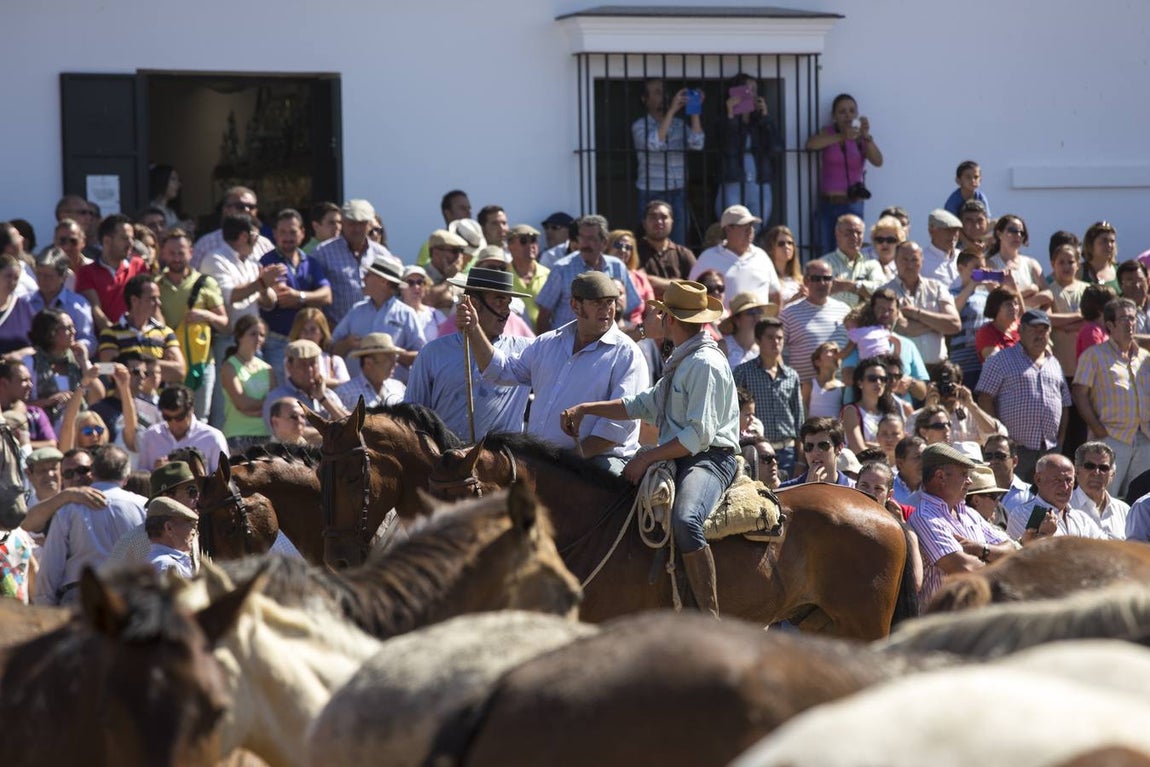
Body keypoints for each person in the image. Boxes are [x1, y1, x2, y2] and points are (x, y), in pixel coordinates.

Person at [561, 279, 738, 619]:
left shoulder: (703, 364)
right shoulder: (684, 359)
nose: (653, 319)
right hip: (684, 455)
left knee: (686, 520)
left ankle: (709, 616)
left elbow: (698, 436)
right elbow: (642, 403)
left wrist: (647, 457)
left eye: (659, 314)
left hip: (710, 460)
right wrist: (587, 409)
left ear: (670, 319)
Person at [460, 271, 647, 473]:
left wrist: (565, 463)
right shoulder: (548, 343)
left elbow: (616, 430)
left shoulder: (627, 354)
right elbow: (500, 371)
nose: (607, 310)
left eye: (610, 302)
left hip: (599, 461)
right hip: (543, 463)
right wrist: (474, 328)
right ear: (575, 305)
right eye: (597, 303)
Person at [406, 268, 532, 441]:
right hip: (447, 460)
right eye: (499, 301)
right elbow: (413, 415)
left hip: (500, 464)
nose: (506, 311)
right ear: (473, 303)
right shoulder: (432, 353)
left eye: (508, 303)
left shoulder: (525, 351)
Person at [33, 445, 146, 606]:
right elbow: (149, 556)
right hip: (128, 598)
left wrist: (43, 605)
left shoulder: (69, 509)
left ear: (92, 473)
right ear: (127, 476)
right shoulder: (143, 507)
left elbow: (51, 565)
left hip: (82, 598)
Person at [908, 443, 1014, 605]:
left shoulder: (969, 513)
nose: (970, 481)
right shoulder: (925, 518)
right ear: (940, 476)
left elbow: (1011, 549)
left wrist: (980, 549)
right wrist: (995, 560)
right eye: (964, 474)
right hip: (944, 625)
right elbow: (964, 567)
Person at [976, 308, 1069, 482]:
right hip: (1015, 449)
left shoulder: (1054, 363)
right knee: (1014, 497)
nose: (1039, 334)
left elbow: (1064, 404)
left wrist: (1060, 442)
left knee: (1044, 499)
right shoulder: (1000, 359)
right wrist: (999, 439)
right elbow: (984, 398)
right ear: (1021, 330)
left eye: (1044, 330)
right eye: (1034, 329)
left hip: (1049, 449)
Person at [1072, 298, 1150, 497]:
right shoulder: (1094, 355)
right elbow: (1080, 393)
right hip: (1111, 437)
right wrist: (1096, 427)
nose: (1130, 323)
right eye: (1123, 318)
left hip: (1144, 438)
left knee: (1141, 498)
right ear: (1109, 324)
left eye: (1132, 318)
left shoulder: (1145, 358)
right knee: (1104, 496)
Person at [155, 228, 228, 418]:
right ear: (162, 253)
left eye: (181, 252)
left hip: (201, 363)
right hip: (170, 364)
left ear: (191, 252)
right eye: (171, 253)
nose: (177, 258)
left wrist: (205, 315)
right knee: (170, 416)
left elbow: (224, 323)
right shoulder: (156, 285)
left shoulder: (206, 283)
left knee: (201, 417)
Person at [805, 93, 883, 256]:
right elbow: (811, 145)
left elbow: (878, 161)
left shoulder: (861, 138)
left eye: (851, 111)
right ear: (834, 116)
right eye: (842, 112)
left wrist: (866, 136)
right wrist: (842, 136)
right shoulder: (828, 133)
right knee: (824, 251)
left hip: (852, 204)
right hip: (828, 204)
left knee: (851, 252)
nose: (848, 115)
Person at [258, 209, 333, 377]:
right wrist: (311, 298)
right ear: (275, 234)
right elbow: (279, 299)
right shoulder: (267, 262)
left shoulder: (311, 262)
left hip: (309, 342)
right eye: (282, 232)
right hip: (278, 342)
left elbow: (327, 295)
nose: (287, 237)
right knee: (283, 395)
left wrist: (299, 297)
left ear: (302, 233)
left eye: (293, 232)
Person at [534, 215, 640, 334]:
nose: (584, 244)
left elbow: (629, 308)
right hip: (569, 345)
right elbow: (543, 315)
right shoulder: (562, 268)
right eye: (582, 238)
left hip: (608, 344)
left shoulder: (617, 266)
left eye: (591, 238)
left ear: (604, 242)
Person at [631, 79, 705, 246]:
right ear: (645, 99)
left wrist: (695, 110)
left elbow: (697, 143)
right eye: (657, 92)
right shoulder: (640, 125)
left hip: (678, 190)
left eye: (664, 92)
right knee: (650, 241)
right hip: (652, 191)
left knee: (678, 242)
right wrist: (672, 110)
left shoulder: (679, 125)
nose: (663, 96)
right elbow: (654, 144)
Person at [329, 256, 423, 383]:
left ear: (383, 281)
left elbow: (421, 355)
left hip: (393, 393)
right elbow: (331, 349)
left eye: (368, 275)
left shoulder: (406, 314)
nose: (363, 278)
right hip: (355, 391)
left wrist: (392, 354)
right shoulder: (356, 311)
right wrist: (347, 344)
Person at [104, 461, 203, 573]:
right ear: (166, 497)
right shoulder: (135, 540)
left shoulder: (195, 529)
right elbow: (108, 581)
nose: (198, 498)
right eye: (192, 491)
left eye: (199, 490)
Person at [733, 316, 802, 477]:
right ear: (758, 340)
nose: (776, 342)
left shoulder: (792, 375)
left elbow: (799, 420)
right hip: (758, 451)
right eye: (770, 337)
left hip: (788, 452)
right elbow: (733, 411)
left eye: (780, 338)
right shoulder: (743, 372)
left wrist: (800, 460)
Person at [312, 199, 392, 327]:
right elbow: (314, 294)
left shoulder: (382, 254)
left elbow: (392, 293)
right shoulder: (323, 252)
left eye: (362, 224)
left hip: (376, 329)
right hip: (337, 332)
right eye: (352, 223)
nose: (357, 229)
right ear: (342, 222)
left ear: (370, 225)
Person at [97, 274, 186, 384]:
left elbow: (180, 371)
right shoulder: (110, 333)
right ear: (134, 300)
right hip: (123, 398)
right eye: (153, 298)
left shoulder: (166, 332)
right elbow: (106, 370)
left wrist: (137, 364)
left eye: (158, 298)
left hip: (156, 400)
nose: (159, 303)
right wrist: (158, 366)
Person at [714, 72, 778, 226]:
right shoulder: (723, 120)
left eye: (754, 90)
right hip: (733, 180)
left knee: (757, 226)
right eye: (746, 90)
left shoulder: (760, 122)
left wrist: (765, 118)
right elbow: (728, 147)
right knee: (733, 225)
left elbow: (775, 148)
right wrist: (731, 115)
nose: (751, 94)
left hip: (759, 182)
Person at [23, 307, 102, 429]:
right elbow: (18, 404)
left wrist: (84, 362)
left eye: (73, 326)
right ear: (50, 333)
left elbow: (98, 396)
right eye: (67, 328)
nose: (74, 332)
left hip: (79, 431)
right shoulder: (30, 363)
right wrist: (48, 401)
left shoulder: (77, 360)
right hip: (46, 430)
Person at [884, 240, 960, 366]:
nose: (909, 265)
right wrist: (937, 323)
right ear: (895, 261)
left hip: (938, 369)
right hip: (903, 373)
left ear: (922, 262)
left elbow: (954, 324)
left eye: (914, 260)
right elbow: (905, 329)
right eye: (904, 259)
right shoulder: (885, 293)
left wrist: (916, 314)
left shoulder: (937, 288)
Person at [690, 205, 780, 310]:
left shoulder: (762, 256)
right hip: (722, 325)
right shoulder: (707, 258)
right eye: (744, 226)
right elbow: (693, 294)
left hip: (760, 324)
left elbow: (775, 295)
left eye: (751, 225)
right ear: (728, 229)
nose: (750, 230)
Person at [1008, 453, 1107, 543]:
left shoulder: (1081, 518)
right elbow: (1032, 556)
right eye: (1057, 480)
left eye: (1068, 480)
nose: (1065, 487)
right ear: (1038, 479)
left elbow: (1103, 548)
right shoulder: (1023, 514)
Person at [74, 214, 150, 330]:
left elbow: (151, 304)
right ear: (107, 241)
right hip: (107, 343)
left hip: (140, 339)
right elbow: (95, 310)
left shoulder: (139, 266)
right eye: (125, 238)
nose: (131, 243)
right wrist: (116, 337)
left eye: (132, 238)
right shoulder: (86, 272)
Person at [779, 259, 850, 382]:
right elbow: (777, 351)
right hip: (803, 392)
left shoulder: (845, 310)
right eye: (816, 279)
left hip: (840, 391)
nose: (822, 283)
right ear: (806, 281)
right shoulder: (789, 313)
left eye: (827, 278)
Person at [136, 385, 228, 473]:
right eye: (167, 417)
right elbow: (141, 476)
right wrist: (157, 473)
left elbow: (224, 480)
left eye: (179, 417)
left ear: (191, 410)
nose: (174, 423)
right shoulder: (151, 435)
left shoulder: (212, 438)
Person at [262, 339, 350, 427]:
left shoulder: (328, 395)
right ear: (289, 366)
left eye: (313, 363)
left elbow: (351, 426)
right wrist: (334, 429)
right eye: (302, 364)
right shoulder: (277, 398)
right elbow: (293, 433)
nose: (309, 370)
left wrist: (323, 400)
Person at [219, 314, 274, 452]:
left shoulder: (268, 369)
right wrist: (264, 405)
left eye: (261, 335)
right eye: (253, 334)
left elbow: (275, 403)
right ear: (239, 337)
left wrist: (251, 408)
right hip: (237, 436)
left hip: (265, 434)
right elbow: (242, 402)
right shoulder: (229, 366)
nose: (258, 339)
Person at [29, 247, 96, 354]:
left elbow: (88, 339)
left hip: (68, 362)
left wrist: (77, 347)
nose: (42, 280)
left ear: (63, 277)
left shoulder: (78, 304)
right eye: (39, 274)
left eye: (49, 276)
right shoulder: (25, 302)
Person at [190, 186, 275, 270]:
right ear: (225, 210)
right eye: (240, 206)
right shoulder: (206, 244)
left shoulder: (265, 244)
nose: (247, 210)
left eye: (251, 207)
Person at [635, 200, 696, 299]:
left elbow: (696, 288)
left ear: (672, 222)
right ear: (644, 223)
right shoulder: (634, 252)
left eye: (664, 217)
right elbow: (634, 283)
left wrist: (650, 280)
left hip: (680, 313)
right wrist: (679, 284)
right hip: (647, 312)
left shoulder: (684, 253)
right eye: (653, 217)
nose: (658, 221)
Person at [821, 214, 885, 308]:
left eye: (859, 232)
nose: (854, 237)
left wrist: (851, 286)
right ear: (837, 234)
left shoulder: (872, 264)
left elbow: (882, 292)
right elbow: (821, 294)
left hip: (865, 320)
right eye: (849, 232)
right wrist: (865, 292)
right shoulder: (824, 264)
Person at [1069, 441, 1129, 540]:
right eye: (1089, 466)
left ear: (1112, 475)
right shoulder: (1065, 507)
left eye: (1103, 468)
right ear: (1077, 471)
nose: (1096, 472)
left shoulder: (1124, 510)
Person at [840, 356, 899, 454]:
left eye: (883, 379)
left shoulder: (889, 411)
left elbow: (899, 448)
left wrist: (872, 446)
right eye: (872, 379)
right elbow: (858, 450)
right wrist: (885, 449)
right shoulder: (851, 411)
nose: (878, 383)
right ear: (860, 383)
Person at [335, 332, 405, 410]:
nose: (395, 364)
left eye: (395, 359)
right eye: (390, 359)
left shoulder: (399, 387)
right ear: (368, 363)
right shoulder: (345, 393)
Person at [987, 214, 1045, 307]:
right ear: (999, 234)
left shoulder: (1031, 263)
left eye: (1021, 233)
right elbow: (997, 302)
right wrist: (1030, 290)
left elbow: (1049, 296)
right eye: (1012, 231)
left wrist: (1016, 300)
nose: (1018, 235)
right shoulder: (990, 265)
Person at [781, 416, 855, 487]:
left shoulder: (854, 489)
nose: (815, 452)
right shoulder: (786, 490)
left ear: (839, 448)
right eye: (809, 446)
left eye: (823, 446)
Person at [290, 307, 350, 387]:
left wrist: (320, 382)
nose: (308, 335)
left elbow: (346, 386)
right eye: (303, 330)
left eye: (313, 330)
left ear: (322, 333)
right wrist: (332, 383)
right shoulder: (290, 362)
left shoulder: (335, 361)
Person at [144, 497, 198, 578]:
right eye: (190, 524)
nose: (193, 531)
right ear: (169, 528)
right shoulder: (166, 566)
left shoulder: (154, 562)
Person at [720, 292, 771, 369]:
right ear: (736, 320)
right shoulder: (723, 347)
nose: (756, 316)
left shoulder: (765, 346)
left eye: (759, 311)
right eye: (751, 312)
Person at [975, 285, 1022, 361]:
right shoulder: (986, 332)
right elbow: (996, 361)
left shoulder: (1023, 326)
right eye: (1008, 304)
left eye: (1016, 304)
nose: (1014, 308)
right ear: (996, 308)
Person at [803, 340, 844, 419]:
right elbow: (802, 412)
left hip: (835, 430)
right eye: (831, 351)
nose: (837, 355)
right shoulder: (809, 386)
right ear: (817, 362)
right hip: (814, 430)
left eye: (837, 352)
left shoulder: (842, 387)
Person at [921, 209, 963, 286]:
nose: (953, 235)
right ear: (931, 231)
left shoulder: (964, 257)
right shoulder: (921, 260)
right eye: (948, 230)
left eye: (956, 230)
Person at [763, 225, 803, 305]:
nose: (787, 247)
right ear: (771, 249)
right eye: (781, 244)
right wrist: (792, 301)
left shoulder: (800, 279)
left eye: (790, 243)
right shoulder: (766, 278)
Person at [861, 215, 905, 280]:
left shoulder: (905, 264)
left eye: (890, 240)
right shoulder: (862, 259)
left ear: (899, 242)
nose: (884, 244)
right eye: (880, 240)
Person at [1080, 221, 1119, 288]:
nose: (1109, 245)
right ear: (1091, 244)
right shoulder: (1079, 272)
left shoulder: (1119, 270)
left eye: (1112, 241)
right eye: (1104, 241)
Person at [892, 434, 925, 506]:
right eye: (917, 457)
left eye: (926, 456)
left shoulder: (933, 490)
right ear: (900, 463)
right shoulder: (889, 490)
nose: (924, 462)